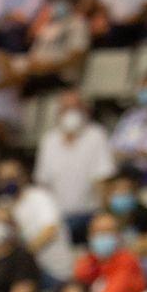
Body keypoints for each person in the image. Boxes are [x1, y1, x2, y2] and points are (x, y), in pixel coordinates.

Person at [33, 91, 116, 243]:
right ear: (59, 113)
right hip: (57, 218)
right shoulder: (48, 141)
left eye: (76, 108)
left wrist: (102, 216)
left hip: (88, 215)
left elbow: (103, 179)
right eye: (66, 108)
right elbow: (43, 183)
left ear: (86, 111)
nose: (71, 113)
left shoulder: (97, 135)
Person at [0, 156, 74, 286]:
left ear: (23, 177)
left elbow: (50, 230)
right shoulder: (4, 204)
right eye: (3, 180)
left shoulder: (39, 196)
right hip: (27, 270)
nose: (8, 183)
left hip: (53, 272)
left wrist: (22, 256)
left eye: (12, 178)